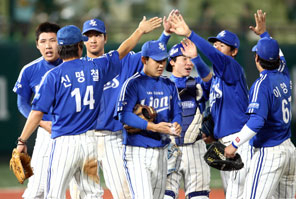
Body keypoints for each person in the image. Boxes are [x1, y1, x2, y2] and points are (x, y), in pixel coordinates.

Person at [15, 17, 161, 198]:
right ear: (80, 46)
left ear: (59, 49)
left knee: (54, 194)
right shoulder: (96, 67)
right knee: (92, 194)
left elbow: (36, 113)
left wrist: (22, 141)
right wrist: (139, 31)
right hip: (89, 145)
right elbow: (122, 51)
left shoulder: (53, 76)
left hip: (64, 144)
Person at [70, 11, 177, 199]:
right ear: (82, 41)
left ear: (105, 38)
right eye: (88, 36)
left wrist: (165, 34)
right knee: (82, 194)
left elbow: (152, 56)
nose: (93, 40)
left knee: (125, 193)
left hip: (114, 138)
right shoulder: (77, 67)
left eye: (97, 35)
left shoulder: (124, 62)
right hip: (84, 138)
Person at [169, 13, 252, 198]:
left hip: (239, 140)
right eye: (215, 44)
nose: (216, 47)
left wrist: (190, 34)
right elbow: (207, 78)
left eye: (221, 45)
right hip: (223, 142)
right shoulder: (217, 78)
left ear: (234, 51)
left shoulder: (232, 68)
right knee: (231, 193)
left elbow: (213, 57)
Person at [224, 10, 296, 199]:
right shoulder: (283, 73)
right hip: (289, 150)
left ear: (257, 58)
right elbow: (279, 55)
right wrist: (265, 34)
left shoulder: (262, 84)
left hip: (270, 151)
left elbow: (257, 121)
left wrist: (234, 144)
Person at [116, 40, 182, 199]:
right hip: (137, 151)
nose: (161, 65)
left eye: (163, 60)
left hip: (161, 151)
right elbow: (124, 115)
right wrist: (154, 127)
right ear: (144, 60)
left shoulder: (169, 84)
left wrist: (177, 124)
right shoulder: (133, 84)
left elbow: (177, 111)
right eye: (157, 61)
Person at [13, 22, 62, 199]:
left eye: (53, 40)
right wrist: (42, 124)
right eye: (43, 41)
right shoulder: (30, 70)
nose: (48, 45)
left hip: (76, 132)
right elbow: (23, 104)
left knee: (82, 187)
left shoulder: (72, 66)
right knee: (38, 188)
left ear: (61, 42)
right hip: (46, 133)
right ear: (37, 44)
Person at [164, 39, 212, 199]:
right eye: (184, 58)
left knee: (199, 197)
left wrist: (197, 58)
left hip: (195, 148)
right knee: (165, 196)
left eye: (190, 59)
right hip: (169, 148)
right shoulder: (161, 86)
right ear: (172, 61)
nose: (188, 63)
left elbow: (210, 80)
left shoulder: (197, 84)